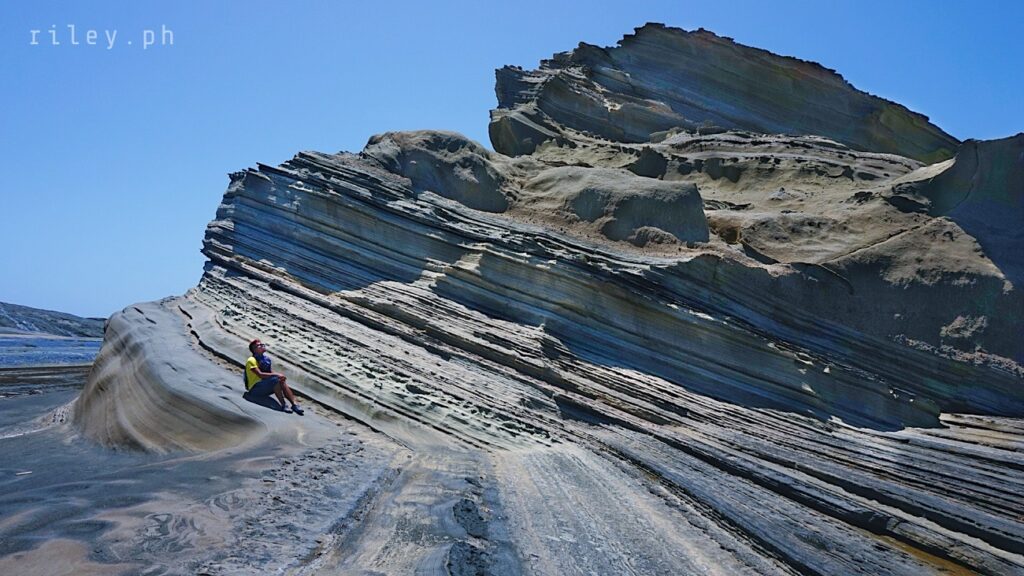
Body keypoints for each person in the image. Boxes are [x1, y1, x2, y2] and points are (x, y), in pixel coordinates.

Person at [244, 339, 304, 415]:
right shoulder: (251, 360)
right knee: (276, 379)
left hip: (263, 387)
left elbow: (270, 372)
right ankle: (284, 405)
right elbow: (260, 374)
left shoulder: (265, 359)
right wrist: (277, 375)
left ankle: (294, 404)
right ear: (254, 350)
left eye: (262, 344)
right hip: (254, 390)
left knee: (281, 380)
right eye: (259, 345)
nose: (262, 345)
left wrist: (280, 376)